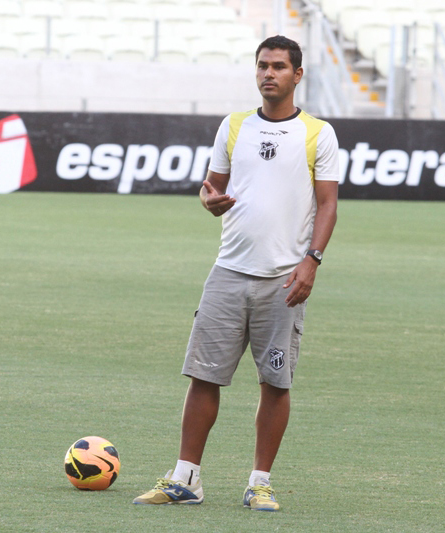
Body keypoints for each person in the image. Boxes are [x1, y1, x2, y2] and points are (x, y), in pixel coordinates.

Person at [133, 35, 340, 512]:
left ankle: (260, 482)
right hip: (227, 272)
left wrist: (312, 260)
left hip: (284, 278)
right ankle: (186, 479)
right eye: (263, 65)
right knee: (203, 377)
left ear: (297, 75)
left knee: (276, 384)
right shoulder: (233, 126)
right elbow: (212, 189)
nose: (269, 73)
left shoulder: (317, 133)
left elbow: (328, 204)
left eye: (279, 67)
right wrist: (208, 201)